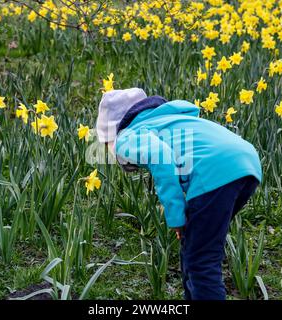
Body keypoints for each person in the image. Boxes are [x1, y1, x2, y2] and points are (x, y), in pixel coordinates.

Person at [95, 88, 262, 300]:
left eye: (107, 145)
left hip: (213, 173)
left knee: (201, 262)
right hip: (246, 164)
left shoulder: (127, 137)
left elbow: (160, 157)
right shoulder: (168, 119)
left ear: (113, 131)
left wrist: (175, 217)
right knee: (194, 250)